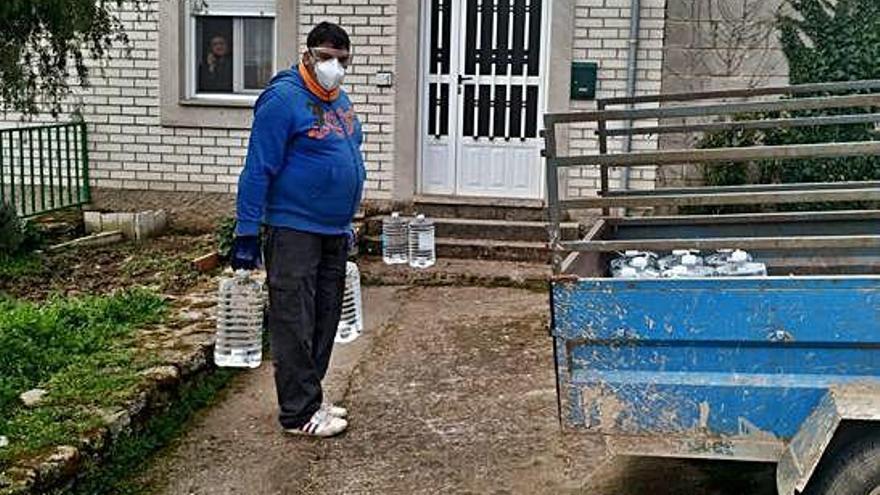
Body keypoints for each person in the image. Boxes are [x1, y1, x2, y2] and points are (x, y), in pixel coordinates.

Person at [231, 22, 364, 438]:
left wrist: (347, 222)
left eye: (342, 60)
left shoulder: (339, 99)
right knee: (294, 319)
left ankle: (311, 396)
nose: (335, 67)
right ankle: (297, 413)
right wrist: (246, 232)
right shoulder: (282, 99)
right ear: (308, 55)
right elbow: (258, 168)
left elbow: (347, 157)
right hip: (293, 228)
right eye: (327, 57)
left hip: (332, 229)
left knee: (325, 316)